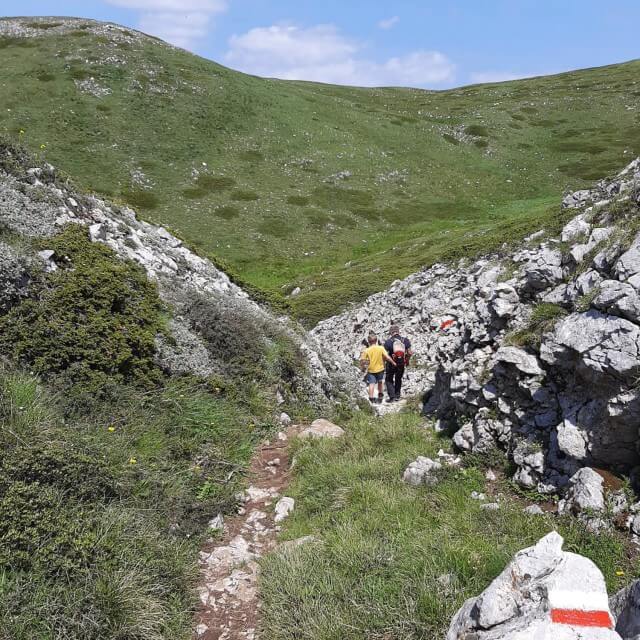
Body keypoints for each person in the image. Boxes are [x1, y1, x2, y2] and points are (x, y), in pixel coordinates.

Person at [360, 333, 395, 404]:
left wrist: (363, 368)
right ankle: (380, 396)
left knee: (371, 384)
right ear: (376, 341)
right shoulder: (381, 348)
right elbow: (387, 357)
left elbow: (363, 361)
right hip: (380, 369)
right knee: (380, 382)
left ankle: (371, 398)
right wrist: (393, 363)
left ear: (369, 342)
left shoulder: (366, 350)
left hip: (371, 370)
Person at [384, 325, 412, 402]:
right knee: (398, 378)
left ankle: (392, 397)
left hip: (391, 363)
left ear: (391, 332)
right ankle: (397, 396)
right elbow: (409, 353)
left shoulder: (388, 342)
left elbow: (385, 355)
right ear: (398, 331)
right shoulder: (405, 340)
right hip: (401, 363)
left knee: (389, 379)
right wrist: (407, 360)